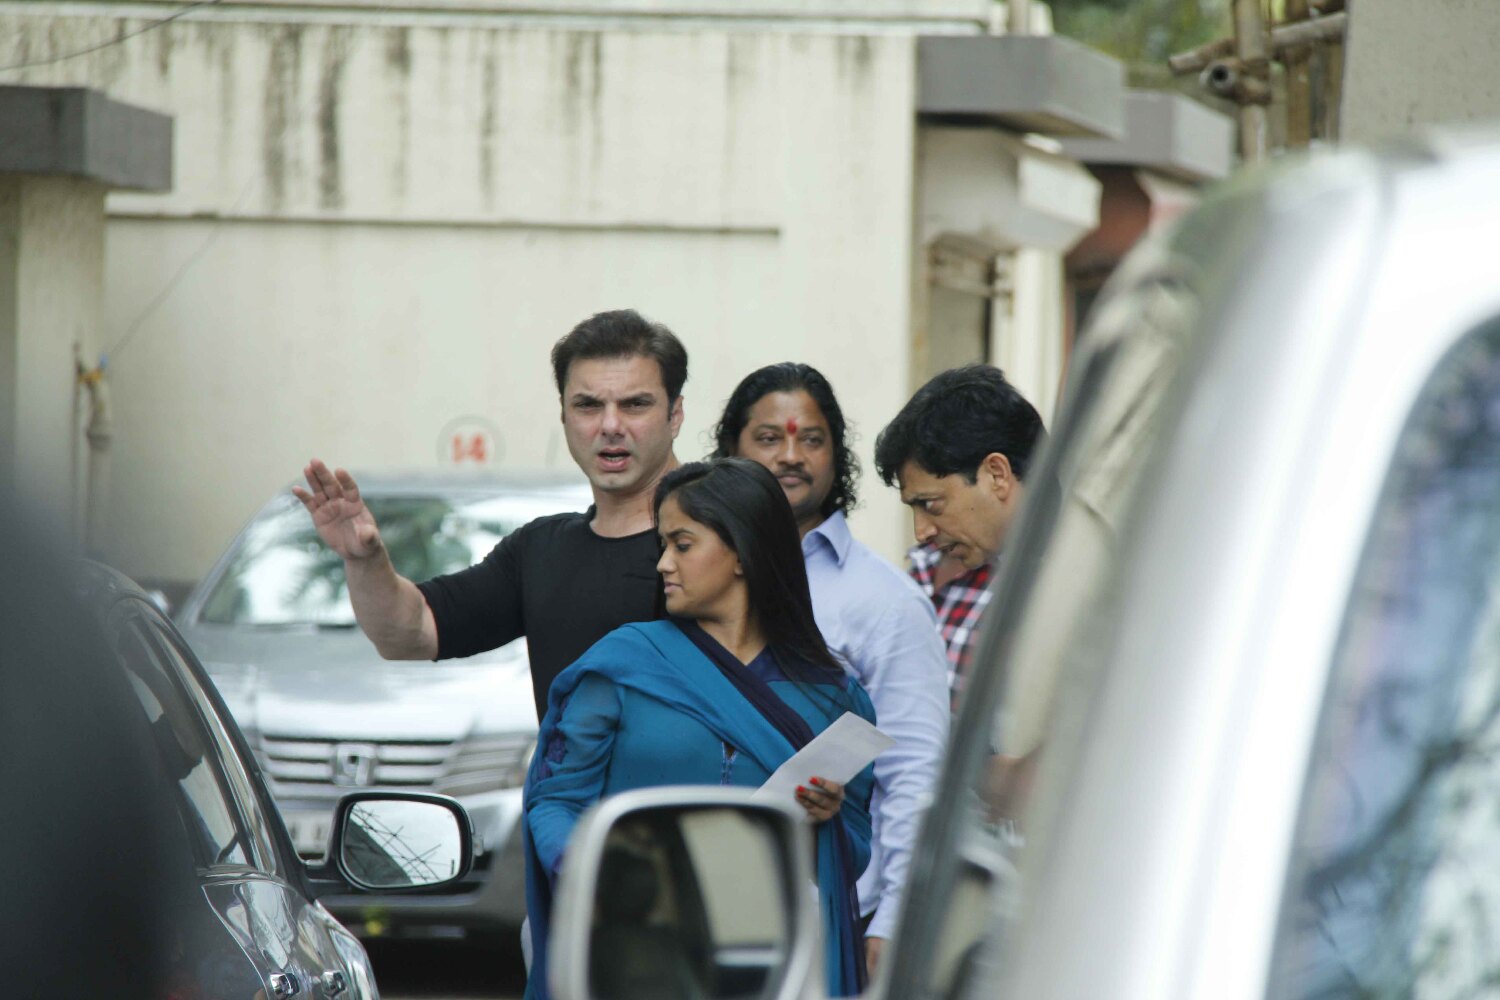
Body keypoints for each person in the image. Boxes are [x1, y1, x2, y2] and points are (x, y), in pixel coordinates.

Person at [523, 459, 876, 998]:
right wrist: (599, 882)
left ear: (741, 551)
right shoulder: (622, 666)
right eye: (662, 545)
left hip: (764, 963)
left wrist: (820, 824)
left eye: (682, 545)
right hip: (633, 954)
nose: (663, 563)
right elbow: (554, 801)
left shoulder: (832, 696)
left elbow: (851, 856)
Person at [292, 308, 686, 720]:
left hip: (707, 788)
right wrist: (363, 559)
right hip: (568, 786)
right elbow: (410, 633)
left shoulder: (731, 528)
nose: (610, 425)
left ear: (674, 415)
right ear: (564, 416)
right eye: (588, 405)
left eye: (634, 405)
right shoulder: (541, 551)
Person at [712, 362, 949, 974]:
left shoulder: (884, 601)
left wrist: (894, 921)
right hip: (695, 908)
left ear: (836, 455)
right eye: (769, 438)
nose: (791, 455)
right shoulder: (688, 578)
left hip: (836, 915)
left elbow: (915, 775)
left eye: (811, 439)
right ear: (730, 450)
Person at [874, 364, 1046, 709]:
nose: (921, 532)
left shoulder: (1086, 581)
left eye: (931, 504)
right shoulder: (932, 570)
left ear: (996, 474)